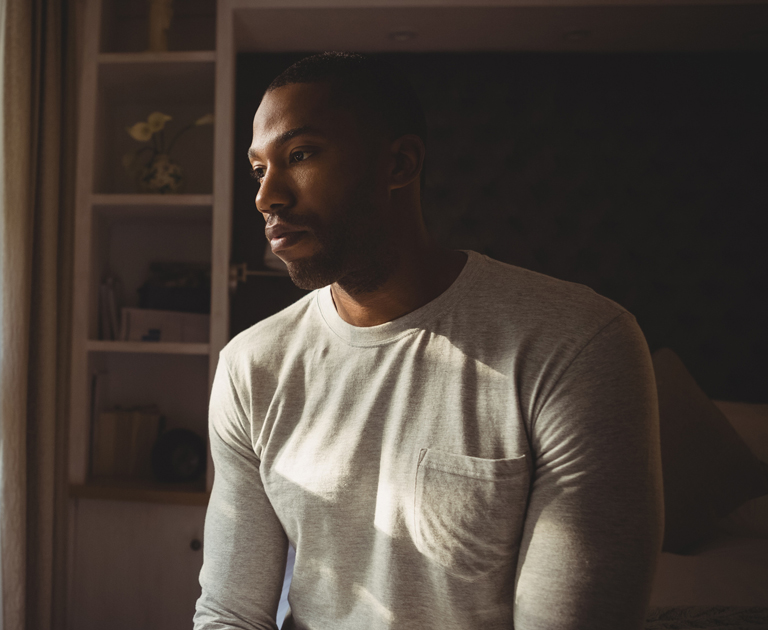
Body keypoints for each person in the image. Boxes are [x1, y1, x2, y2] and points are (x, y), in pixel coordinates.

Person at [195, 52, 663, 630]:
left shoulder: (577, 344)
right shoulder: (251, 365)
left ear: (399, 163)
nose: (268, 198)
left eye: (300, 155)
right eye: (259, 171)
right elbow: (229, 612)